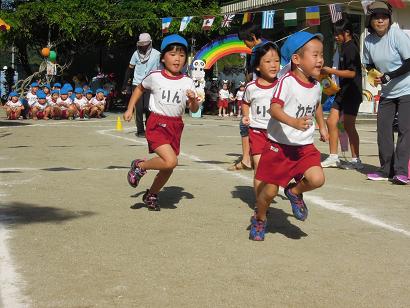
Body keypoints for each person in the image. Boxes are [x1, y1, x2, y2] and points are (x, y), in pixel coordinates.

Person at [249, 32, 329, 241]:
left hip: (303, 147)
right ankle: (260, 217)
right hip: (279, 147)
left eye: (322, 55)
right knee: (269, 193)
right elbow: (274, 109)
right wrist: (293, 122)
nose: (320, 59)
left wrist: (322, 126)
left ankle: (294, 192)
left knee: (317, 178)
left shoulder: (316, 85)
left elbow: (316, 105)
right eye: (315, 55)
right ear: (296, 59)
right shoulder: (287, 82)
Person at [123, 34, 199, 211]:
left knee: (167, 167)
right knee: (171, 161)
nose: (177, 58)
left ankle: (151, 194)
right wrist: (130, 108)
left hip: (176, 126)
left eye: (181, 55)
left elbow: (194, 109)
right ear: (163, 57)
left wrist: (194, 100)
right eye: (172, 54)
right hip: (157, 123)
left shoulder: (188, 81)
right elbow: (139, 89)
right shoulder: (155, 76)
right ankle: (140, 166)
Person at [363, 1, 410, 185]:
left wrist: (389, 76)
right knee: (383, 131)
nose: (380, 20)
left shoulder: (396, 35)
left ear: (389, 19)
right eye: (376, 17)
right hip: (387, 92)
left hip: (407, 89)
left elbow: (409, 62)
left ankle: (401, 171)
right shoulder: (368, 40)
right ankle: (385, 169)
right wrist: (373, 74)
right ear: (371, 20)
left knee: (406, 130)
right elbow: (368, 64)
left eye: (384, 17)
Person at [321, 17, 363, 169]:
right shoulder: (343, 47)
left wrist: (331, 71)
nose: (336, 37)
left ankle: (356, 160)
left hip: (352, 92)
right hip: (341, 91)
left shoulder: (351, 48)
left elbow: (352, 73)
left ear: (347, 32)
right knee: (331, 121)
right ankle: (333, 156)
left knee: (348, 125)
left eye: (338, 34)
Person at [241, 41, 280, 199]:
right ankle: (259, 202)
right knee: (259, 167)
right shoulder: (251, 87)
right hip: (257, 132)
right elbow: (246, 102)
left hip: (277, 135)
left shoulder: (283, 85)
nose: (273, 65)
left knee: (274, 171)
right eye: (268, 61)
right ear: (257, 66)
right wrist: (246, 115)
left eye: (276, 61)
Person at [229, 22, 264, 171]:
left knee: (246, 123)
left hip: (259, 94)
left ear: (253, 37)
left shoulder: (257, 50)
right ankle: (250, 157)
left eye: (245, 41)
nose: (245, 44)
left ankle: (246, 159)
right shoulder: (271, 47)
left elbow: (252, 76)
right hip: (266, 93)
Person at [123, 33, 160, 137]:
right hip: (137, 83)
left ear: (150, 43)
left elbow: (160, 70)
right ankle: (140, 131)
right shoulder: (135, 54)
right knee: (138, 108)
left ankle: (149, 128)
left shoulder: (157, 54)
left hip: (151, 83)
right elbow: (130, 69)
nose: (143, 46)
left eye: (145, 44)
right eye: (141, 44)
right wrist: (125, 84)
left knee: (148, 107)